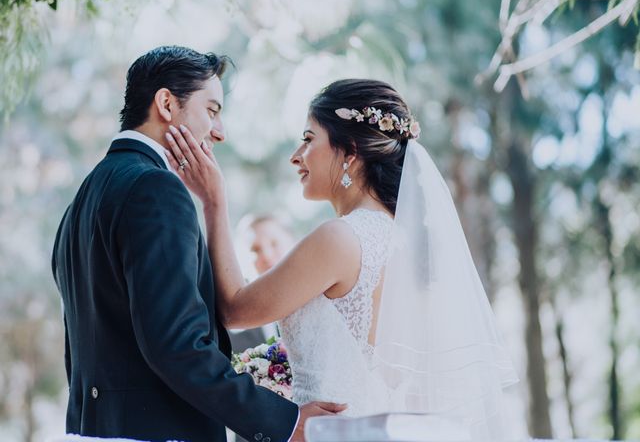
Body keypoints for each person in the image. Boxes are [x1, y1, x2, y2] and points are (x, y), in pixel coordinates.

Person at [166, 78, 520, 440]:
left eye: (308, 139)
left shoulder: (341, 239)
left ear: (349, 151)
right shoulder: (412, 247)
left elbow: (235, 310)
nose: (296, 155)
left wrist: (213, 201)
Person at [51, 46, 344, 442]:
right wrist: (284, 421)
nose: (219, 132)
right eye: (212, 110)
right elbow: (177, 345)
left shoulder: (82, 200)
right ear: (167, 104)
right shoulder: (155, 189)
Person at [230, 215, 295, 353]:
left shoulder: (321, 299)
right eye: (255, 249)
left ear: (292, 243)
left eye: (274, 243)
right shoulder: (232, 321)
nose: (267, 255)